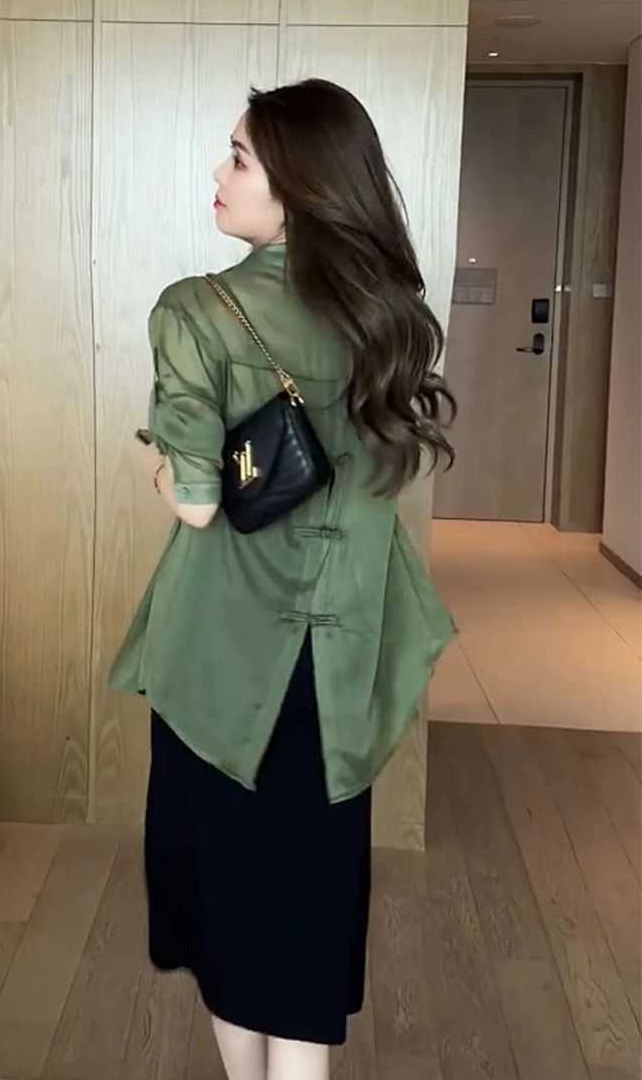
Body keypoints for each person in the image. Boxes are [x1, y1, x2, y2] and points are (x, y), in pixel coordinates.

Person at [108, 78, 459, 1080]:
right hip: (343, 662)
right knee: (306, 908)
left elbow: (196, 502)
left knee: (225, 907)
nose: (218, 174)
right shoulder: (387, 317)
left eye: (239, 157)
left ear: (299, 184)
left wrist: (162, 467)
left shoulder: (196, 309)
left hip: (223, 666)